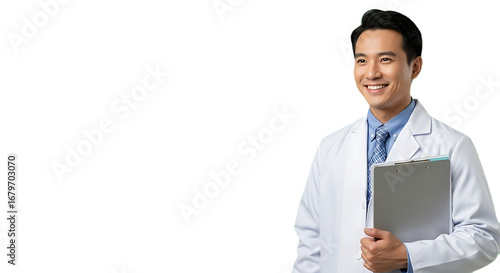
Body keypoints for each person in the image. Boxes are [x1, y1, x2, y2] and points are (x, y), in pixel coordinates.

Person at [292, 9, 500, 273]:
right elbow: (311, 239)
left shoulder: (452, 146)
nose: (372, 73)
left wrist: (408, 256)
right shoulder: (330, 147)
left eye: (386, 59)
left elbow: (484, 239)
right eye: (362, 61)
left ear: (415, 67)